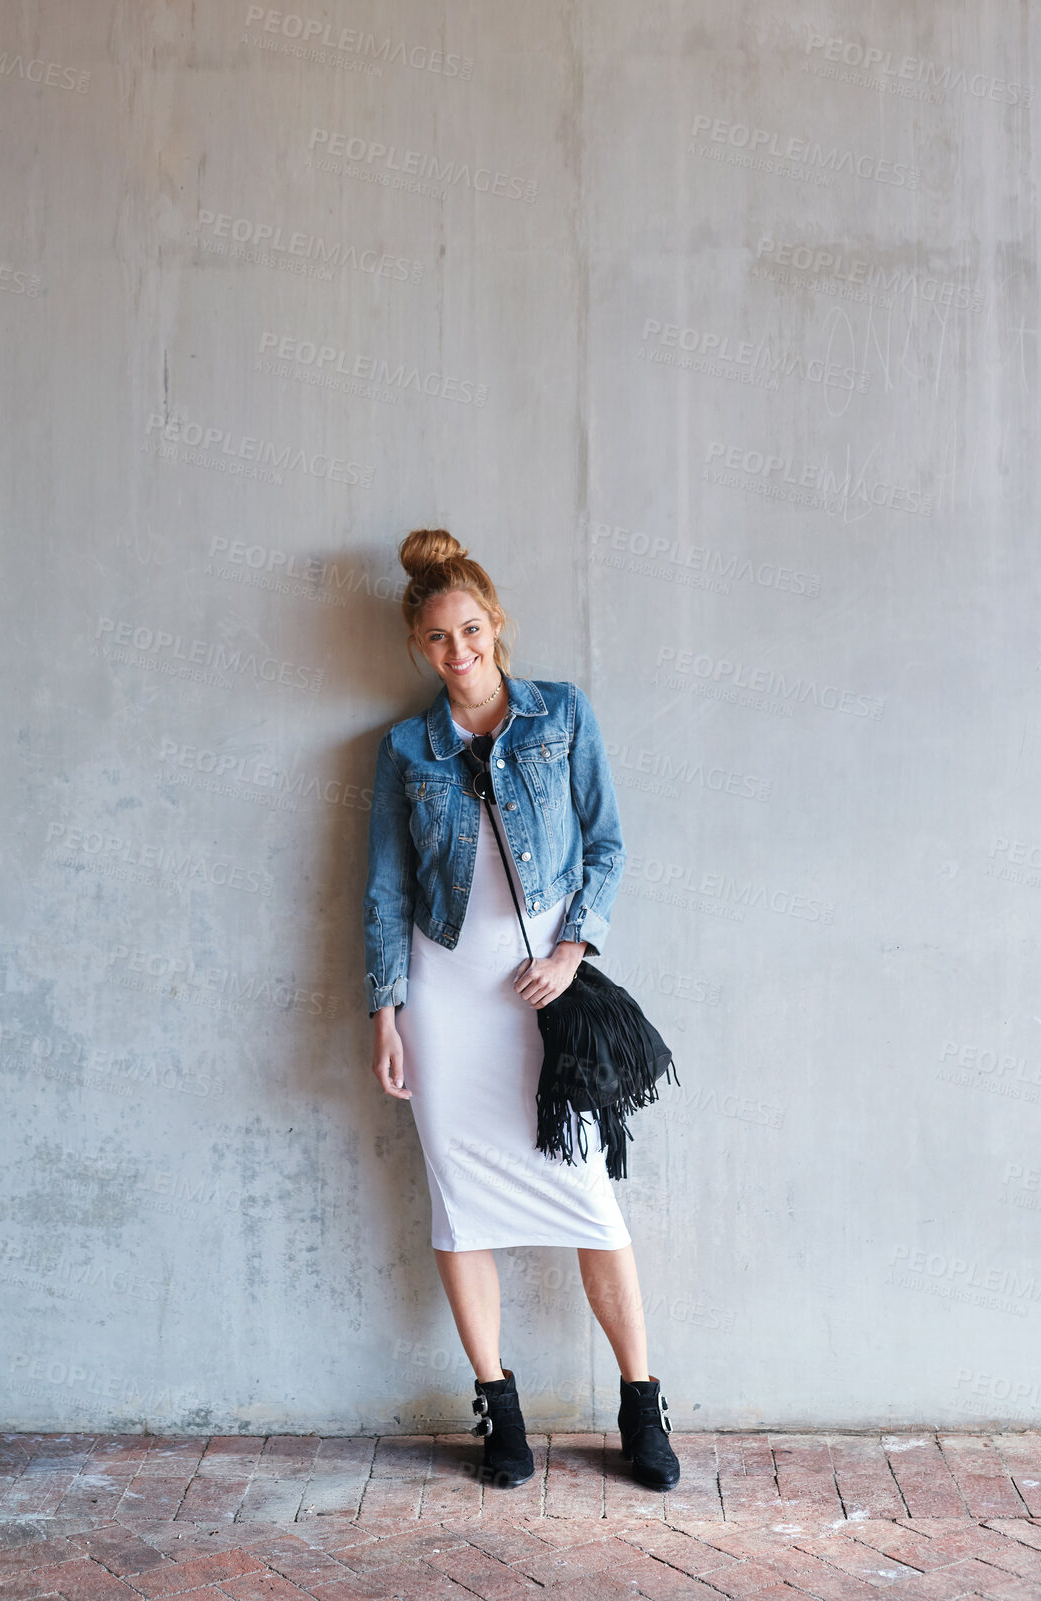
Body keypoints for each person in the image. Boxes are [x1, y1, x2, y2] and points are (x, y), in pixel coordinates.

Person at [363, 528, 680, 1492]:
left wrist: (573, 946)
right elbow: (383, 888)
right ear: (419, 647)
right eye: (436, 638)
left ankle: (639, 1401)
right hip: (445, 997)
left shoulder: (560, 716)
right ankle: (496, 1403)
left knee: (588, 1196)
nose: (456, 651)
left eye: (469, 629)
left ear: (494, 626)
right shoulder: (404, 747)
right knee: (461, 1208)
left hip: (542, 990)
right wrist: (385, 1009)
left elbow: (607, 845)